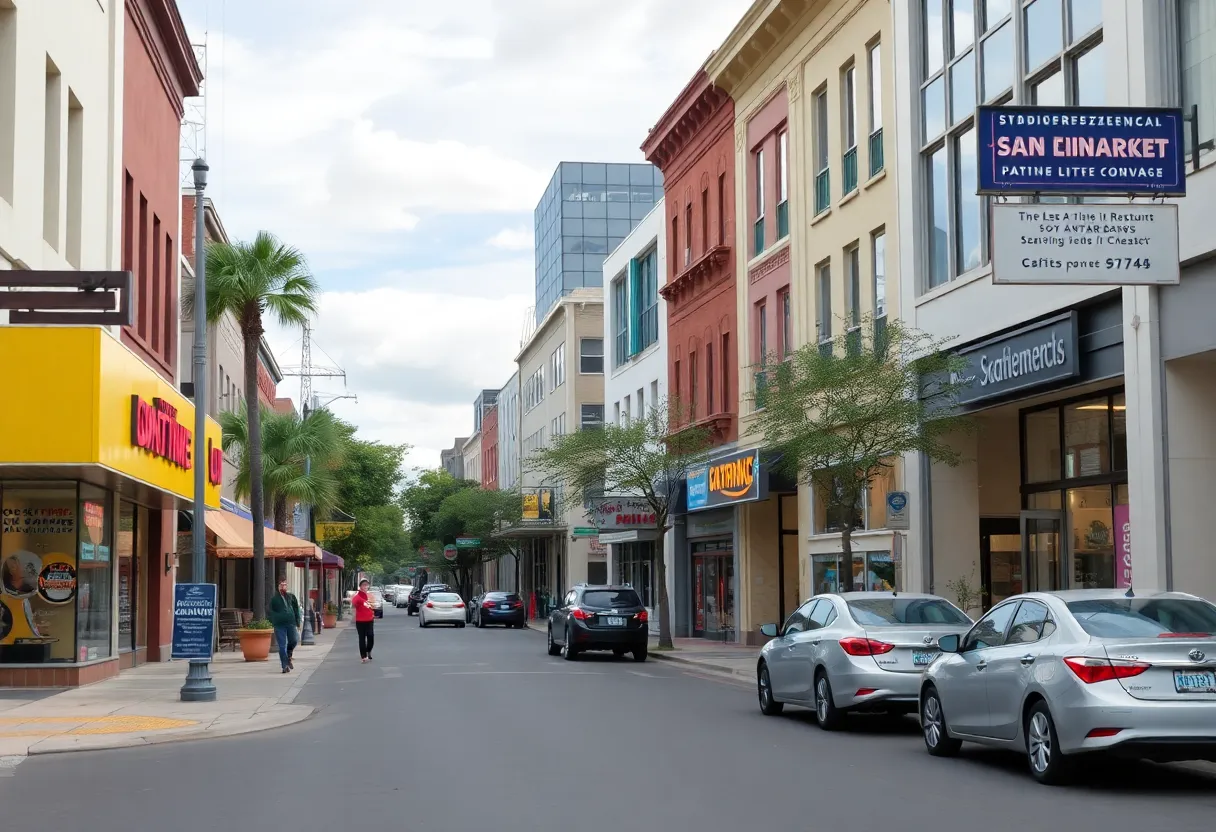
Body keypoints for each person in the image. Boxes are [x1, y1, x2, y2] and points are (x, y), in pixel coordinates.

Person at [268, 578, 302, 674]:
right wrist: (275, 620)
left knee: (294, 640)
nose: (283, 586)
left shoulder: (291, 597)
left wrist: (297, 622)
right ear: (278, 587)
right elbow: (271, 611)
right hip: (279, 625)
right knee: (282, 646)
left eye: (285, 585)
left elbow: (296, 609)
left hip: (291, 623)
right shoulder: (275, 599)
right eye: (281, 585)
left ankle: (289, 655)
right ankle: (285, 665)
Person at [352, 578, 375, 662]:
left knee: (371, 636)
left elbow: (373, 605)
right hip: (360, 621)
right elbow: (354, 603)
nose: (365, 586)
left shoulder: (370, 596)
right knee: (362, 638)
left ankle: (368, 651)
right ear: (360, 586)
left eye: (366, 585)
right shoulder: (357, 596)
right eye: (363, 585)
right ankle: (363, 656)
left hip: (369, 620)